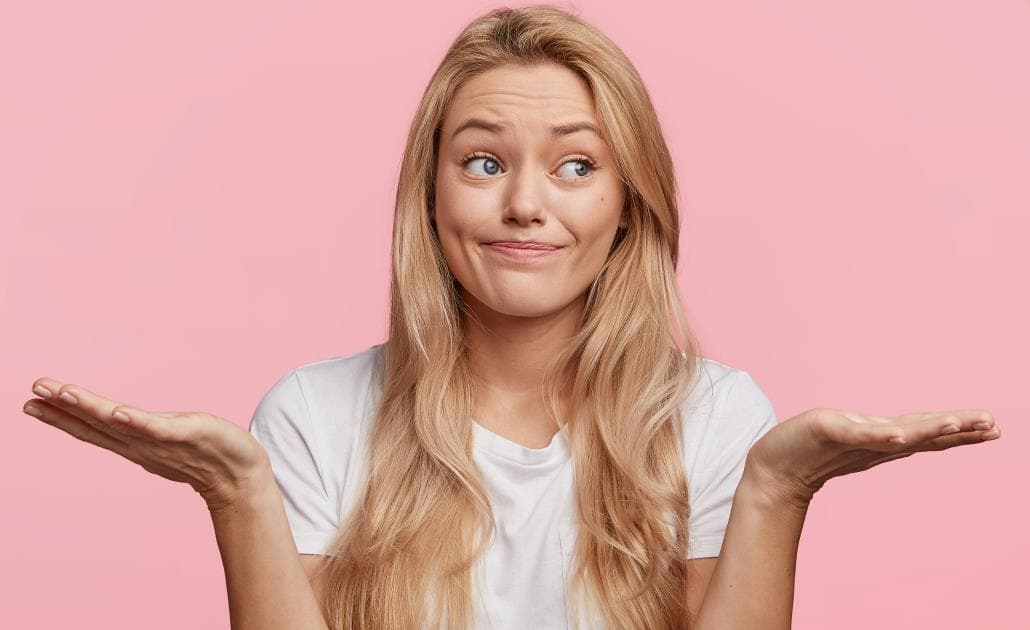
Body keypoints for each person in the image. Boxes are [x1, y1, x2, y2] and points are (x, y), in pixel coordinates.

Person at [21, 5, 1001, 630]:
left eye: (576, 165)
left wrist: (778, 489)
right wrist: (236, 492)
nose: (525, 205)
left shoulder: (714, 417)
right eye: (484, 161)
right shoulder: (316, 414)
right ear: (433, 197)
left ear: (628, 205)